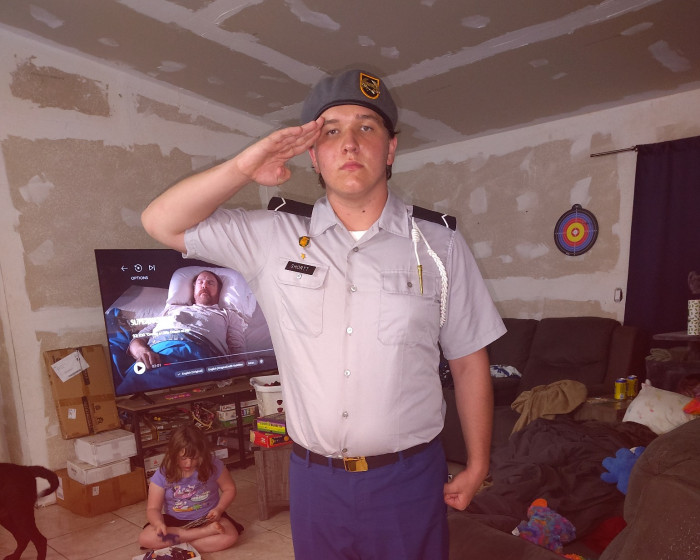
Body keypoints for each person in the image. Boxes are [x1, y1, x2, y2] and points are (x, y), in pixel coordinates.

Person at [141, 68, 506, 559]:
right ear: (313, 154)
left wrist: (478, 463)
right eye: (331, 131)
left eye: (366, 128)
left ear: (391, 148)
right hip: (316, 481)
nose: (349, 144)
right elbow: (159, 222)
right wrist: (246, 166)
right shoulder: (271, 237)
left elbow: (467, 360)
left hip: (409, 478)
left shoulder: (440, 246)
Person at [138, 424, 243, 552]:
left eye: (194, 458)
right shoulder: (163, 473)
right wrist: (158, 523)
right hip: (175, 523)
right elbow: (153, 508)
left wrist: (219, 509)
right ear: (173, 454)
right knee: (145, 538)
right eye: (183, 458)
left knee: (230, 536)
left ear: (202, 454)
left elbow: (229, 489)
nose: (188, 463)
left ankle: (177, 544)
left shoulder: (213, 465)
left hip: (208, 518)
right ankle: (203, 534)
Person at [127, 270, 247, 372]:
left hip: (201, 360)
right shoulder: (171, 309)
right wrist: (142, 352)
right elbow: (138, 339)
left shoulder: (228, 315)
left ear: (218, 290)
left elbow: (238, 351)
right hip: (154, 359)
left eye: (210, 283)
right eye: (200, 282)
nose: (204, 285)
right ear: (194, 289)